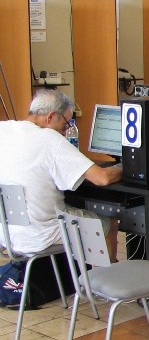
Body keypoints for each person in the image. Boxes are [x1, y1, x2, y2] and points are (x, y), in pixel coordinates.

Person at [0, 90, 122, 262]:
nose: (65, 132)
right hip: (42, 234)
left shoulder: (4, 129)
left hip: (8, 234)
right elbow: (102, 178)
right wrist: (127, 166)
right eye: (65, 125)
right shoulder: (48, 138)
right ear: (50, 117)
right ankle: (104, 282)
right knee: (108, 222)